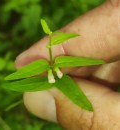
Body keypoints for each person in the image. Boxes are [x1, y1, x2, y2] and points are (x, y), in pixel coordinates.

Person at [15, 0, 120, 129]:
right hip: (53, 74)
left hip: (58, 75)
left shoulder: (56, 55)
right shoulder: (50, 59)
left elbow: (82, 61)